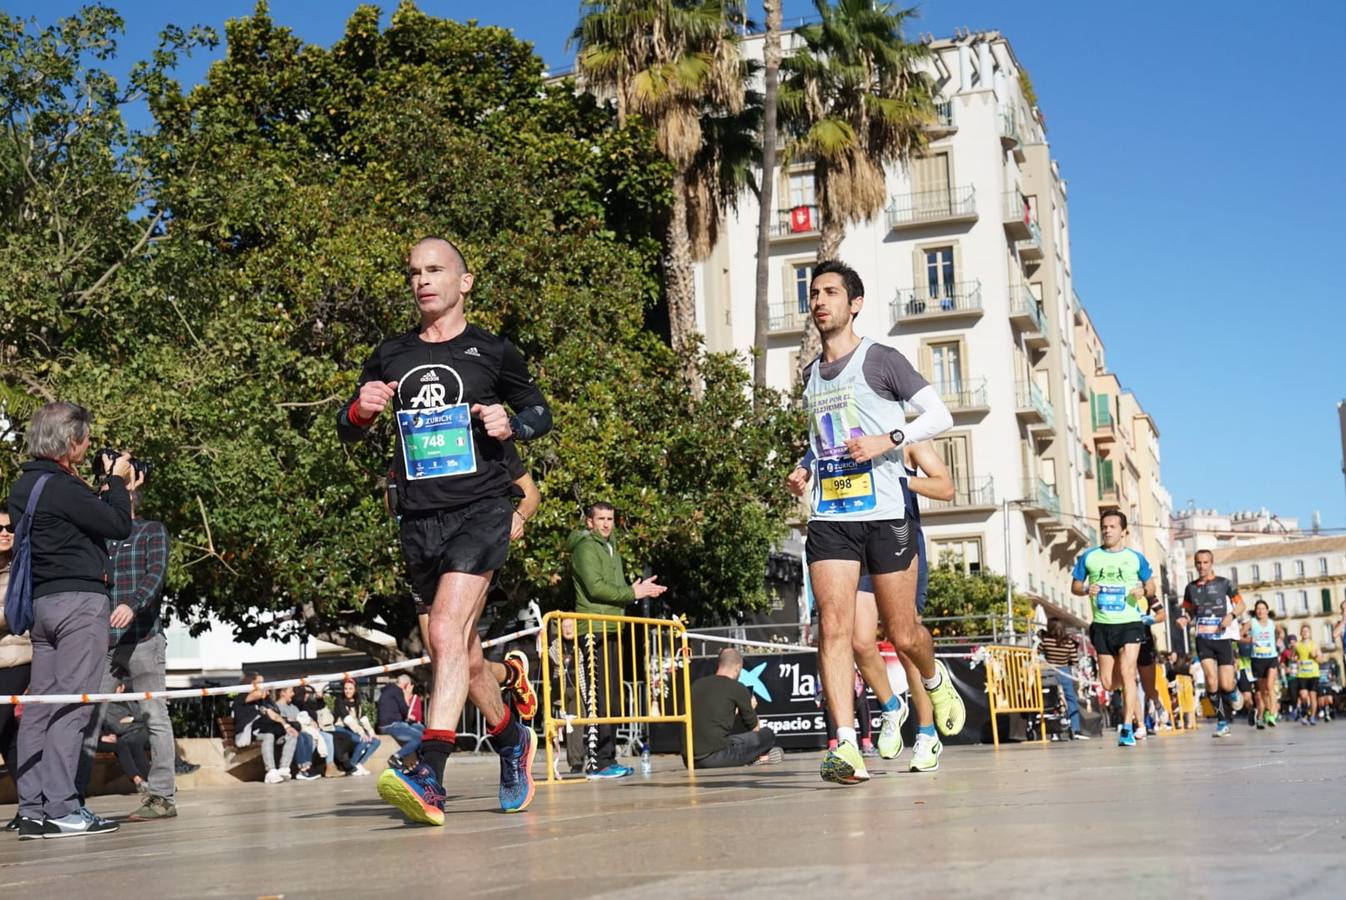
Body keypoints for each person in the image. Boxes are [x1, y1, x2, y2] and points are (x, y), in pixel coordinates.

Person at [339, 236, 552, 824]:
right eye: (413, 272)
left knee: (442, 634)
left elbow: (540, 411)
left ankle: (430, 769)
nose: (422, 281)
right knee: (464, 652)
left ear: (465, 282)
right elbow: (348, 426)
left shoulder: (493, 351)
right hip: (419, 517)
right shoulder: (391, 353)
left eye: (435, 270)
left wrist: (514, 422)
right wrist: (361, 409)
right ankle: (512, 740)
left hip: (482, 506)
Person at [784, 260, 960, 785]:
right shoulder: (810, 374)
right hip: (832, 518)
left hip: (887, 517)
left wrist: (890, 440)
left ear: (854, 304)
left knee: (904, 634)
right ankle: (843, 744)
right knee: (835, 631)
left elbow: (940, 415)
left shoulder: (881, 359)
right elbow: (825, 442)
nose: (820, 301)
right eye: (814, 293)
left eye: (831, 293)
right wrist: (805, 467)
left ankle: (933, 677)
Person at [8, 401, 132, 839]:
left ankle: (32, 808)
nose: (88, 445)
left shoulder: (25, 486)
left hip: (43, 606)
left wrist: (98, 487)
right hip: (80, 603)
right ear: (70, 441)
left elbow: (75, 521)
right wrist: (117, 480)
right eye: (85, 438)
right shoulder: (63, 487)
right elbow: (119, 524)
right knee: (71, 705)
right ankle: (62, 807)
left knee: (40, 705)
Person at [77, 480, 175, 821]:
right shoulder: (98, 538)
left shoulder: (151, 531)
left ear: (130, 499)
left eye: (113, 496)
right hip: (104, 642)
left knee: (155, 716)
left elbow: (155, 574)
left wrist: (133, 604)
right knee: (87, 716)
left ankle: (161, 797)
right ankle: (73, 797)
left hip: (144, 638)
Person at [567, 501, 667, 779]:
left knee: (611, 697)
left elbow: (617, 589)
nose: (606, 524)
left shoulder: (610, 548)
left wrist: (635, 591)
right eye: (601, 519)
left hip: (612, 627)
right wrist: (632, 592)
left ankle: (608, 759)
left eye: (610, 518)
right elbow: (595, 588)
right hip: (592, 630)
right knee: (596, 698)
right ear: (589, 522)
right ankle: (595, 762)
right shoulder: (586, 547)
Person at [1070, 508, 1161, 748]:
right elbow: (1075, 586)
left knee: (1129, 672)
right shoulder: (1089, 557)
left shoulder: (1135, 558)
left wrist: (1143, 591)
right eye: (1104, 527)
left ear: (1123, 531)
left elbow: (1151, 586)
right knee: (1109, 683)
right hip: (1102, 625)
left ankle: (1128, 728)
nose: (1107, 530)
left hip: (1130, 623)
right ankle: (1130, 695)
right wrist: (1085, 589)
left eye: (1112, 527)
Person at [1177, 549, 1245, 738]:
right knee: (1211, 680)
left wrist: (1230, 616)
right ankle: (1222, 722)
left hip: (1222, 638)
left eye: (1205, 562)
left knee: (1226, 684)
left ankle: (1233, 692)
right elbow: (1189, 612)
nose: (1201, 566)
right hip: (1203, 638)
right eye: (1198, 563)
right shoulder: (1190, 588)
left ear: (1211, 563)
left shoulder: (1225, 584)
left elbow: (1241, 605)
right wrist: (1184, 619)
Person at [689, 648, 779, 769]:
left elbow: (713, 719)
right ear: (738, 668)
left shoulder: (697, 684)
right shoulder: (737, 687)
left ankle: (755, 757)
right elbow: (755, 729)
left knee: (735, 740)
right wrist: (750, 708)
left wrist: (736, 711)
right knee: (767, 735)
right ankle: (759, 757)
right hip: (717, 756)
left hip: (690, 759)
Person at [0, 508, 32, 832]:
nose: (6, 532)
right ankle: (29, 806)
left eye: (10, 527)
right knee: (9, 740)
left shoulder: (20, 568)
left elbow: (16, 612)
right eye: (0, 528)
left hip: (17, 660)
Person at [1039, 618, 1087, 740]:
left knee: (1052, 700)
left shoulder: (1046, 641)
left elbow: (1037, 652)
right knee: (1071, 699)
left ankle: (1054, 730)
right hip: (1065, 672)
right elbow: (1074, 660)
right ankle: (1075, 729)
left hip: (1049, 672)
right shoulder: (1069, 642)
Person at [333, 679, 380, 775]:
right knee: (362, 740)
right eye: (345, 688)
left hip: (353, 729)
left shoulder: (358, 701)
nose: (347, 691)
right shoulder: (339, 701)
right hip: (341, 728)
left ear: (355, 690)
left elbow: (363, 718)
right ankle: (352, 766)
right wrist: (361, 732)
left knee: (376, 741)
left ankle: (359, 764)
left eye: (350, 688)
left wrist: (371, 732)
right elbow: (347, 719)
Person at [377, 675, 425, 767]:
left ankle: (420, 758)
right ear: (406, 685)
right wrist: (406, 694)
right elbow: (405, 710)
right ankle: (397, 757)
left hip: (389, 724)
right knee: (420, 737)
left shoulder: (389, 690)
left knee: (420, 728)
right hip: (391, 725)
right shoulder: (398, 691)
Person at [1247, 601, 1279, 729]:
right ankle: (1265, 711)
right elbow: (1239, 635)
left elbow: (1281, 632)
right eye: (1258, 609)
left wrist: (1279, 640)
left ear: (1267, 610)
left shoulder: (1272, 623)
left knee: (1270, 686)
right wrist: (1249, 640)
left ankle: (1271, 714)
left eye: (1263, 608)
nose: (1260, 611)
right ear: (1255, 611)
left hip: (1271, 657)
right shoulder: (1251, 622)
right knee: (1262, 691)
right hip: (1257, 659)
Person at [1293, 623, 1322, 726]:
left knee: (1313, 696)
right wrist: (1296, 660)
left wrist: (1315, 656)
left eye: (1307, 631)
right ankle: (1305, 713)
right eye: (1303, 631)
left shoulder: (1315, 645)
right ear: (1301, 633)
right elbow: (1294, 656)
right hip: (1302, 674)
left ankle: (1312, 717)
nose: (1305, 633)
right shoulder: (1297, 645)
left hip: (1313, 673)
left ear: (1310, 633)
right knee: (1303, 695)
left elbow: (1320, 659)